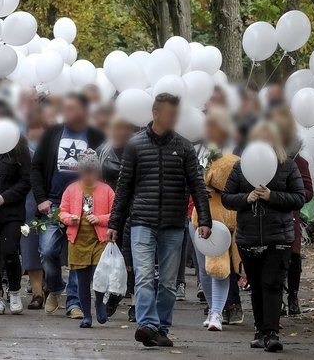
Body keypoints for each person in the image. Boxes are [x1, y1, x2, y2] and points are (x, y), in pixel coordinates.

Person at [107, 93, 212, 347]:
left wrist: (204, 219)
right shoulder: (135, 145)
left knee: (167, 282)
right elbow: (124, 188)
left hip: (174, 224)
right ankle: (147, 325)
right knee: (143, 276)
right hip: (142, 221)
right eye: (170, 113)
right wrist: (114, 223)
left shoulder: (185, 147)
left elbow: (197, 184)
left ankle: (161, 327)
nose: (174, 119)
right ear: (156, 114)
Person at [222, 121, 305, 352]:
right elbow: (228, 197)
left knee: (272, 283)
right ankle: (260, 330)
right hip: (249, 238)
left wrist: (272, 196)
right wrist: (245, 198)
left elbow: (300, 197)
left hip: (279, 236)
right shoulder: (241, 167)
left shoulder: (287, 165)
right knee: (257, 285)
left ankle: (271, 333)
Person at [30, 93, 105, 318]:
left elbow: (104, 171)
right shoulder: (53, 133)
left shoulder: (95, 135)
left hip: (84, 205)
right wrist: (41, 198)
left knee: (78, 255)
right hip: (53, 204)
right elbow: (36, 167)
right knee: (47, 250)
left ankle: (75, 303)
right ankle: (55, 287)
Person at [0, 101, 32, 315]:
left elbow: (26, 180)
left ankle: (14, 291)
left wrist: (4, 197)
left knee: (10, 251)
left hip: (11, 210)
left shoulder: (20, 147)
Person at [59, 149, 115, 328]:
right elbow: (62, 211)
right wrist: (70, 219)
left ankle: (99, 304)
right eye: (85, 172)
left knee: (99, 276)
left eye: (92, 172)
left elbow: (115, 214)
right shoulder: (71, 189)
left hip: (100, 239)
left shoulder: (106, 190)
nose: (89, 176)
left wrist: (99, 219)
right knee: (82, 280)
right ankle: (86, 315)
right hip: (77, 241)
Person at [269, 106, 314, 316]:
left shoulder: (299, 161)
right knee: (271, 259)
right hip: (266, 216)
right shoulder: (263, 156)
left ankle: (293, 296)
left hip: (289, 216)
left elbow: (307, 191)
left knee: (293, 257)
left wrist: (287, 196)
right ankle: (274, 298)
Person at [191, 153, 240, 331]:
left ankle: (217, 312)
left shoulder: (235, 195)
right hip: (202, 227)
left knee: (221, 271)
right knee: (205, 270)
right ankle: (213, 309)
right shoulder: (205, 190)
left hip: (226, 233)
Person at [97, 115, 136, 320]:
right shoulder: (103, 152)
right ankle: (113, 293)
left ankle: (134, 302)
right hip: (111, 211)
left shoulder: (139, 149)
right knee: (113, 257)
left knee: (133, 258)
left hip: (136, 210)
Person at [20, 109, 47, 309]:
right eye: (32, 128)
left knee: (51, 248)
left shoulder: (52, 148)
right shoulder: (19, 148)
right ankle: (37, 292)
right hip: (28, 200)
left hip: (50, 198)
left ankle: (53, 286)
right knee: (30, 246)